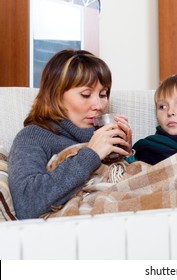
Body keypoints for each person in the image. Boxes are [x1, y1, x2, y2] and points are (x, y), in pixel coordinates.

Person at [8, 49, 133, 219]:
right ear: (56, 95)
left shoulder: (106, 137)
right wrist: (92, 154)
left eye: (103, 94)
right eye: (86, 94)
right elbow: (27, 203)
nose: (99, 105)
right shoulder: (33, 136)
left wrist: (126, 155)